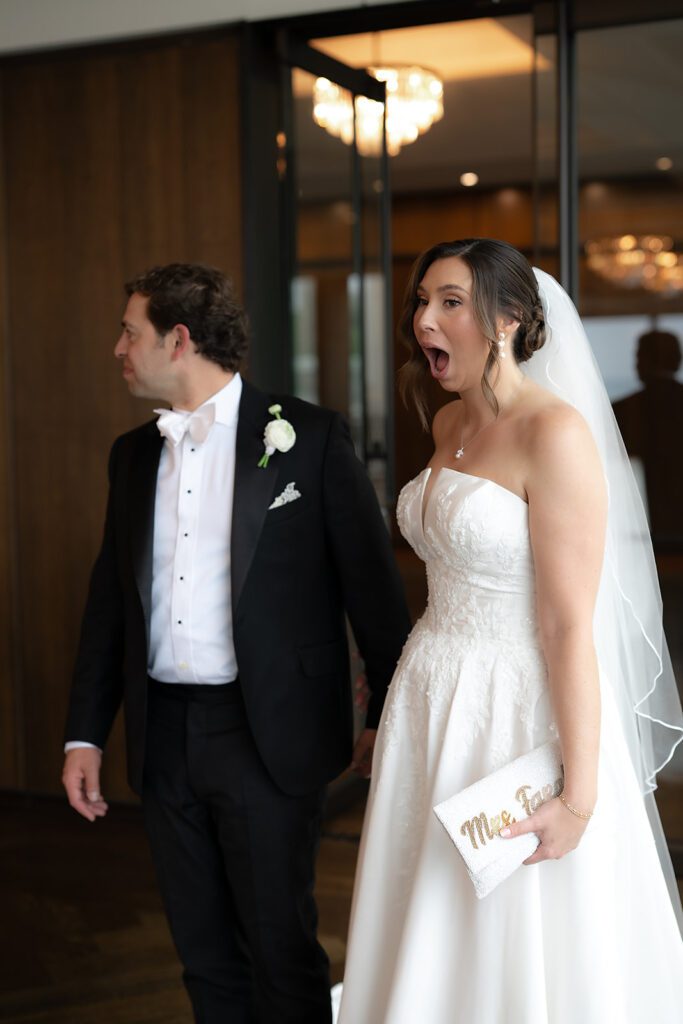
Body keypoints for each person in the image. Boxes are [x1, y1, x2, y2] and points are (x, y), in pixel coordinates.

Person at [336, 239, 683, 1023]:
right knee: (425, 902)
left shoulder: (553, 433)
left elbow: (566, 624)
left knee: (515, 919)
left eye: (449, 302)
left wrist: (580, 797)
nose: (422, 318)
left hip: (514, 707)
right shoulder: (447, 419)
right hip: (430, 696)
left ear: (508, 320)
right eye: (421, 301)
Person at [61, 263, 411, 1024]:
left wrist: (384, 715)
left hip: (267, 734)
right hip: (164, 737)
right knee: (203, 953)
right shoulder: (132, 457)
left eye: (130, 332)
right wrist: (84, 733)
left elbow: (374, 595)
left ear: (178, 339)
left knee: (279, 948)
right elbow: (109, 608)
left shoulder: (306, 437)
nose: (118, 348)